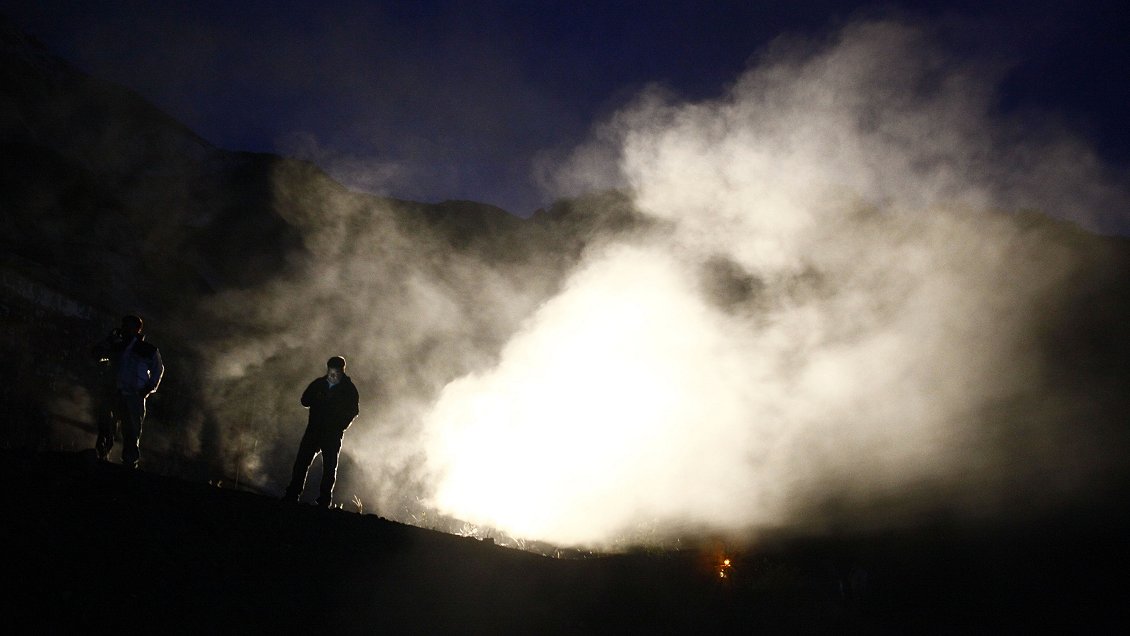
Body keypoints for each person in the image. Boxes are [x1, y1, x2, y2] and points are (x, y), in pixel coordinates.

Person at [282, 356, 360, 507]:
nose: (334, 372)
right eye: (332, 369)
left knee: (329, 467)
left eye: (337, 370)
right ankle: (293, 494)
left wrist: (340, 425)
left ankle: (323, 500)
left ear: (343, 369)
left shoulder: (348, 389)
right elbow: (304, 400)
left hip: (331, 433)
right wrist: (318, 398)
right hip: (314, 431)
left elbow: (353, 411)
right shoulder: (319, 384)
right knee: (302, 462)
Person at [90, 314, 165, 468]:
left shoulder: (148, 349)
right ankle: (102, 456)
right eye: (124, 325)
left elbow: (158, 370)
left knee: (131, 432)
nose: (125, 329)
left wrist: (147, 390)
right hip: (114, 392)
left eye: (128, 326)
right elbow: (96, 355)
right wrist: (109, 340)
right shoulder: (117, 345)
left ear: (137, 329)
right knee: (106, 427)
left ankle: (129, 464)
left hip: (134, 396)